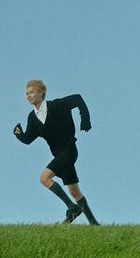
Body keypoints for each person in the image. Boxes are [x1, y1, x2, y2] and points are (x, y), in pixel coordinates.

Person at [13, 79, 98, 224]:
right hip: (59, 155)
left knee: (44, 178)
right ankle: (94, 223)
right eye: (27, 93)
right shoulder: (32, 118)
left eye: (32, 92)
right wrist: (19, 134)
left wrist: (85, 121)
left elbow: (77, 98)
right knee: (74, 191)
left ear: (41, 93)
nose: (28, 96)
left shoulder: (58, 105)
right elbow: (28, 138)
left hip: (69, 150)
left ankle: (72, 207)